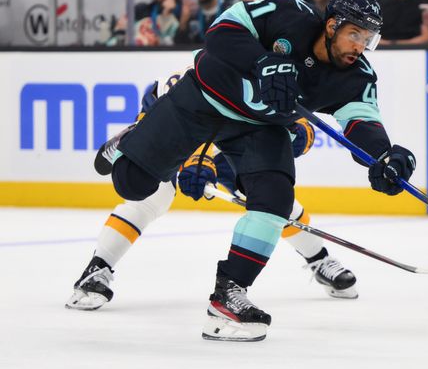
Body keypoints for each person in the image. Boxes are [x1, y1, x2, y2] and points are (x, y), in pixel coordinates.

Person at [103, 0, 416, 341]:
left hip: (260, 127)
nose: (360, 46)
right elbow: (220, 31)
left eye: (368, 38)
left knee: (275, 200)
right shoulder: (289, 13)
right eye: (355, 34)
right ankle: (131, 140)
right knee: (132, 183)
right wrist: (262, 61)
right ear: (332, 26)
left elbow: (362, 122)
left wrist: (384, 156)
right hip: (202, 101)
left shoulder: (356, 76)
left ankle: (227, 298)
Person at [67, 72, 358, 311]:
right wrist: (196, 161)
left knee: (272, 202)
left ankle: (319, 259)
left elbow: (301, 130)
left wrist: (295, 135)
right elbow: (189, 119)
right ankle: (96, 269)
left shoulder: (276, 74)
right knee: (153, 196)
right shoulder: (217, 68)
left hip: (228, 141)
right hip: (175, 126)